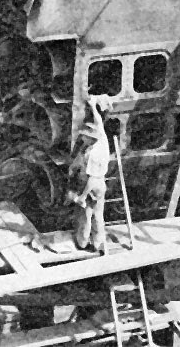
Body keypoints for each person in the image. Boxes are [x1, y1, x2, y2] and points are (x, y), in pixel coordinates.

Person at [69, 96, 112, 254]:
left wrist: (82, 196)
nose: (82, 138)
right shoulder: (102, 139)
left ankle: (83, 243)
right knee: (99, 214)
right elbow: (99, 122)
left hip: (92, 186)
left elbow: (92, 180)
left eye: (85, 136)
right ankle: (99, 242)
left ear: (90, 138)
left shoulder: (93, 155)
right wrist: (93, 107)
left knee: (86, 215)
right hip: (101, 185)